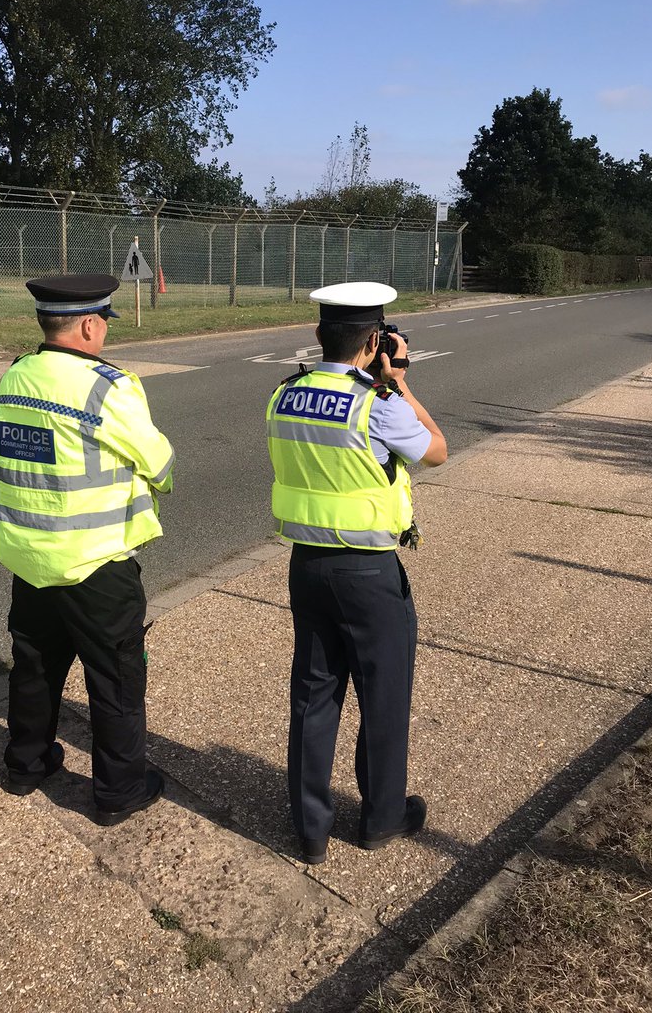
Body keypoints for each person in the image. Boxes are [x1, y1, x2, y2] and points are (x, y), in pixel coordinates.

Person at [265, 281, 447, 865]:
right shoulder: (377, 401)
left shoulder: (284, 394)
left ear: (318, 335)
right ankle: (380, 818)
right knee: (384, 695)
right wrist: (401, 382)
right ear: (375, 341)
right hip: (368, 572)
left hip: (306, 565)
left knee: (314, 696)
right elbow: (436, 449)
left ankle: (310, 832)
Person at [0, 273, 175, 825]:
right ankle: (119, 791)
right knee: (115, 676)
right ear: (91, 325)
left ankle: (26, 765)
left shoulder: (16, 375)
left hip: (30, 555)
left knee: (35, 666)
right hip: (96, 562)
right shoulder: (107, 387)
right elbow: (161, 464)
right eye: (104, 324)